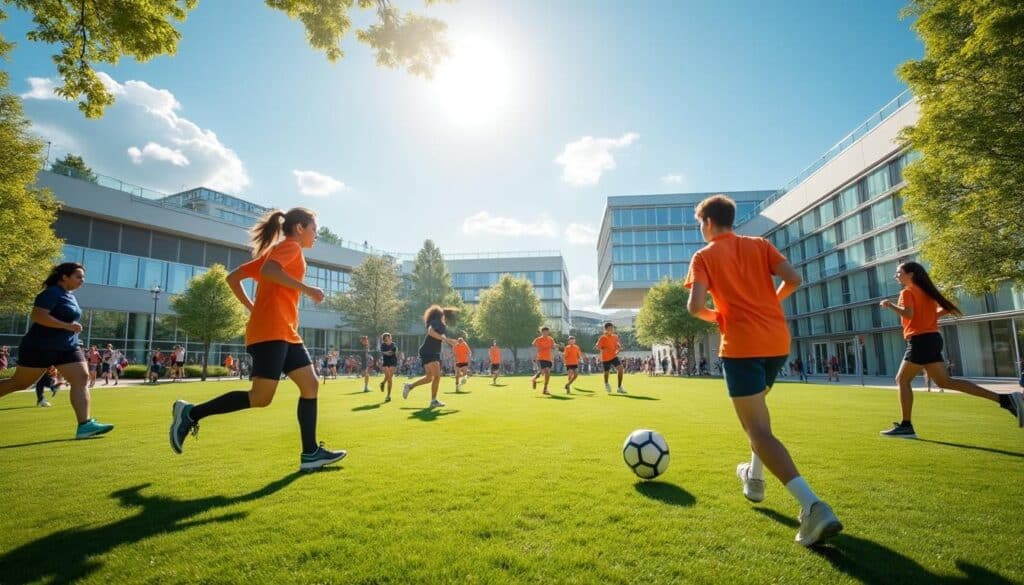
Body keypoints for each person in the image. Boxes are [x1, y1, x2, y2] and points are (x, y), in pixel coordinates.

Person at [684, 194, 841, 547]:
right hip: (777, 343)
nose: (700, 230)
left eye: (700, 224)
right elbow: (794, 279)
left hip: (741, 347)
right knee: (761, 419)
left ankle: (813, 506)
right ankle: (754, 479)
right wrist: (769, 303)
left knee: (757, 430)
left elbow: (695, 306)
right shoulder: (760, 245)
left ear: (708, 222)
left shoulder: (704, 256)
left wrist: (721, 316)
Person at [170, 207, 346, 471]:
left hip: (286, 332)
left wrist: (254, 308)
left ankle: (310, 453)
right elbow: (270, 271)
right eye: (314, 230)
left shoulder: (274, 252)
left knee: (310, 384)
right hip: (271, 333)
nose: (316, 236)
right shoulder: (290, 248)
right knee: (261, 397)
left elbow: (233, 278)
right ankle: (190, 413)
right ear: (300, 228)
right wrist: (307, 289)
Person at [878, 261, 1023, 437]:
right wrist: (928, 316)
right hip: (932, 339)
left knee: (901, 379)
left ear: (911, 275)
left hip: (920, 340)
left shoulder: (907, 292)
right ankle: (1005, 399)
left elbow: (908, 314)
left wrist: (890, 305)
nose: (896, 276)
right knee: (945, 382)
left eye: (899, 272)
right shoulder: (927, 292)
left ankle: (906, 426)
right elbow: (946, 309)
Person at [0, 263, 114, 438]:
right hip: (40, 346)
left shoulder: (69, 296)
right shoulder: (51, 293)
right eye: (78, 276)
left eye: (83, 277)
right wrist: (68, 326)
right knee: (20, 383)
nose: (82, 281)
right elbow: (38, 316)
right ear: (64, 277)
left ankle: (85, 425)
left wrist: (70, 330)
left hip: (67, 347)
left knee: (81, 377)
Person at [403, 306, 459, 408]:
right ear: (441, 315)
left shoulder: (441, 325)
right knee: (437, 376)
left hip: (429, 351)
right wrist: (448, 341)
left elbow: (443, 338)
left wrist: (451, 342)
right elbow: (430, 332)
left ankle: (409, 386)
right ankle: (433, 401)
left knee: (429, 378)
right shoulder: (437, 322)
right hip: (430, 352)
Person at [596, 322, 627, 394]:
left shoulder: (615, 337)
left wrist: (618, 350)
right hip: (605, 358)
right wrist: (603, 350)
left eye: (612, 328)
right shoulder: (602, 337)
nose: (611, 330)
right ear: (605, 329)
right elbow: (597, 346)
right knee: (606, 373)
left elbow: (618, 345)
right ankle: (606, 383)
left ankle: (619, 387)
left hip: (613, 356)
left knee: (621, 369)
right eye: (609, 329)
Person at [530, 327, 556, 395]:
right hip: (540, 358)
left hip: (548, 358)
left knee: (547, 373)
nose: (545, 333)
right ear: (541, 332)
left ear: (548, 332)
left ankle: (544, 387)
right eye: (544, 332)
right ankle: (543, 387)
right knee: (544, 371)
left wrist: (556, 346)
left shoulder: (551, 339)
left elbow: (553, 346)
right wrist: (534, 356)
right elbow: (533, 347)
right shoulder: (538, 339)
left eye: (547, 332)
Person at [378, 333, 398, 401]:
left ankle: (387, 393)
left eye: (388, 337)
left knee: (389, 379)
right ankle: (387, 395)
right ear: (384, 339)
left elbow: (392, 353)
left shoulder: (394, 344)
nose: (387, 339)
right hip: (386, 362)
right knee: (389, 378)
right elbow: (385, 353)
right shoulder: (383, 345)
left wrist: (388, 352)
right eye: (386, 338)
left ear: (390, 338)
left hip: (393, 362)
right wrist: (388, 352)